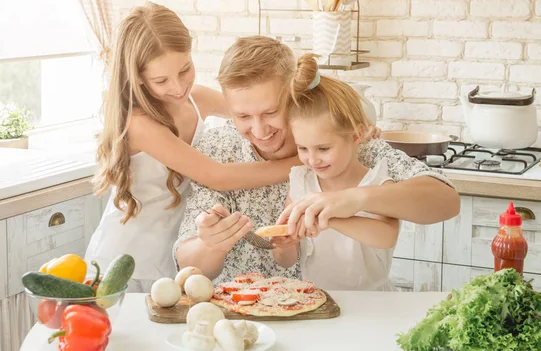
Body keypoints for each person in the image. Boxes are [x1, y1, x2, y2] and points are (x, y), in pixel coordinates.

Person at [174, 36, 460, 285]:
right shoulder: (218, 150)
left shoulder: (347, 144)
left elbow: (445, 201)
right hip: (243, 314)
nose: (259, 131)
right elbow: (189, 265)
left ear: (296, 97)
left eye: (271, 112)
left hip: (337, 313)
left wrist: (355, 199)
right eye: (243, 117)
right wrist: (211, 243)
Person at [84, 3, 299, 292]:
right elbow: (216, 176)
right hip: (129, 257)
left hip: (178, 249)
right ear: (138, 78)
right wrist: (300, 163)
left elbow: (255, 109)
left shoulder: (196, 99)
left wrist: (347, 125)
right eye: (161, 80)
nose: (177, 87)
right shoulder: (138, 123)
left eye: (185, 69)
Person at [271, 54, 400, 291]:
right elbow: (286, 261)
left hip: (375, 305)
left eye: (323, 148)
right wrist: (284, 245)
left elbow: (387, 236)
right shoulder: (301, 181)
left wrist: (329, 218)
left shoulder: (378, 182)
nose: (312, 159)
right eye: (302, 148)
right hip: (317, 301)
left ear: (356, 135)